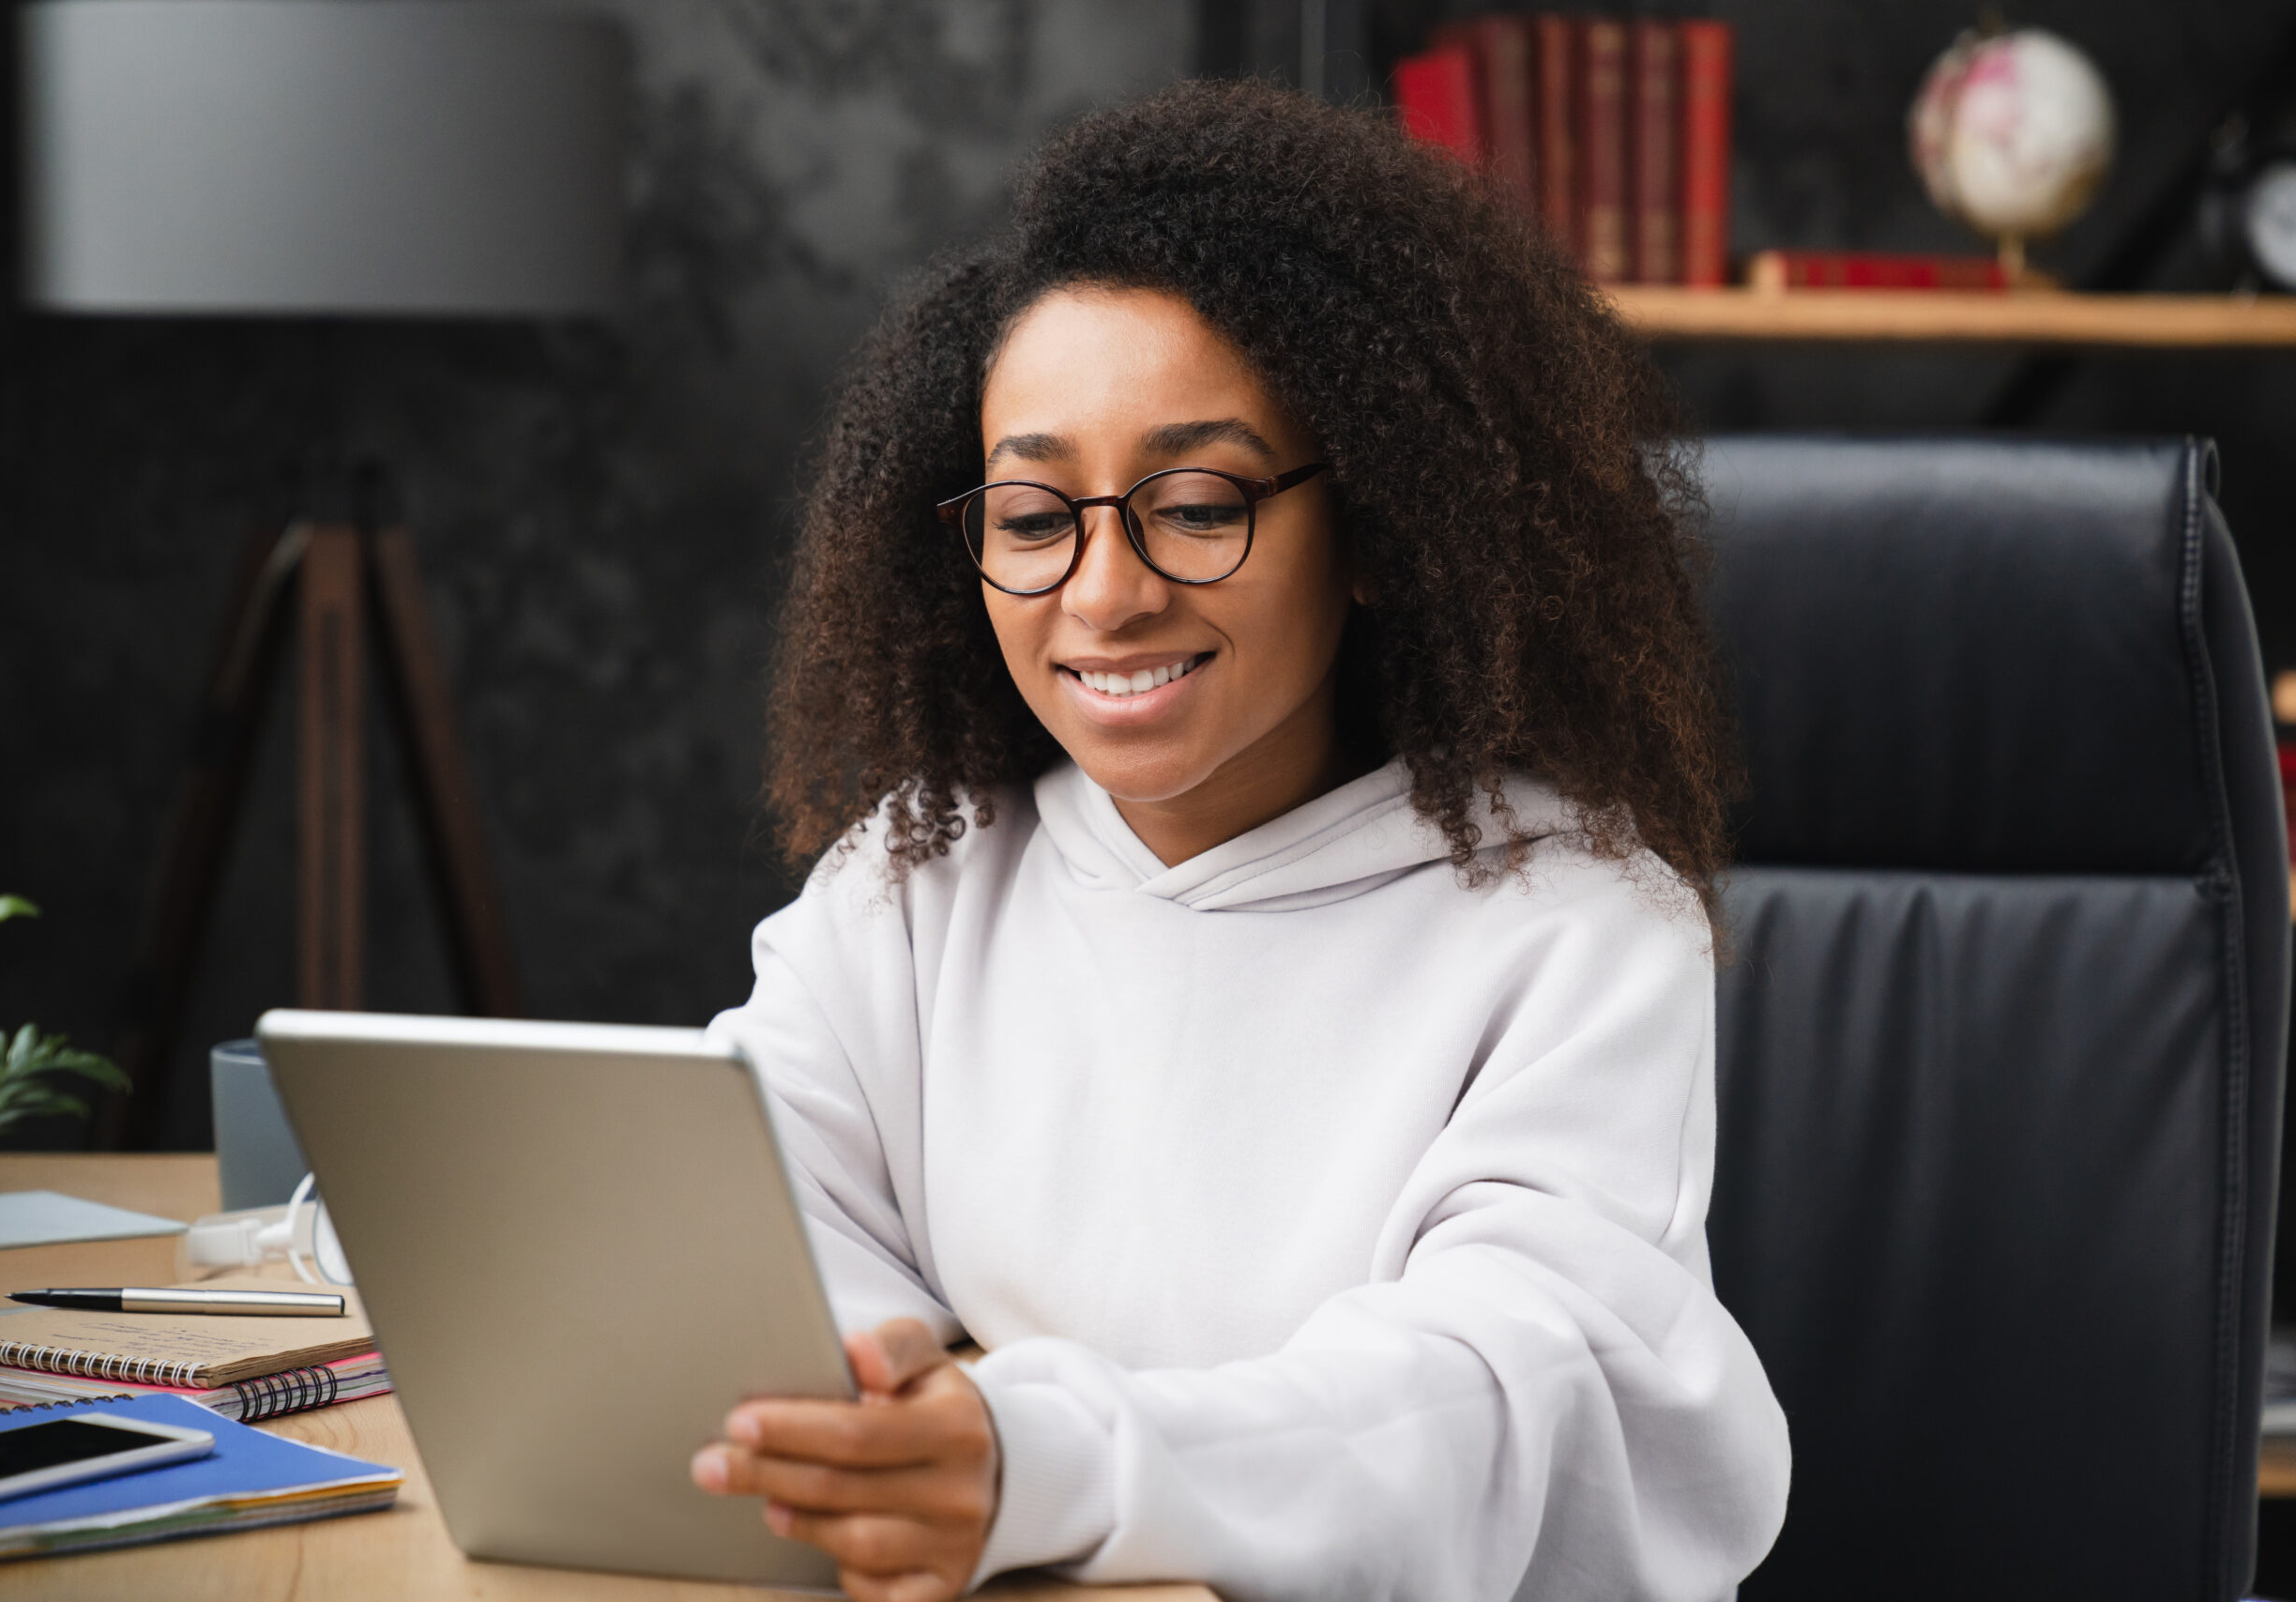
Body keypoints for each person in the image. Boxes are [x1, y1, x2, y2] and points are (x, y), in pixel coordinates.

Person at [690, 79, 1789, 1602]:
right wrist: (906, 1415)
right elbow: (743, 1211)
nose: (1105, 594)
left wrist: (1040, 1457)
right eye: (1031, 517)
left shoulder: (1579, 924)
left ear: (1384, 531)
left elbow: (1478, 1396)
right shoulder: (917, 878)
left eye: (1198, 503)